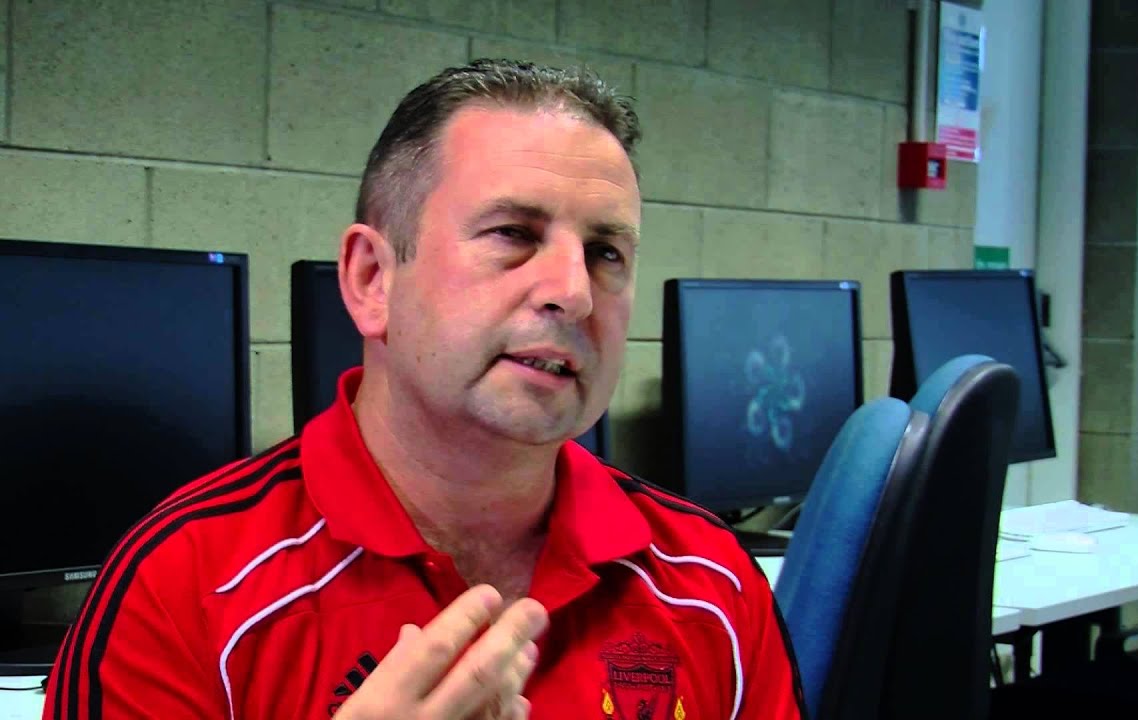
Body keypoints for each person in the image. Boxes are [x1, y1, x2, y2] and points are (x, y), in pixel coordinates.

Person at [45, 59, 805, 720]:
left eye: (606, 251)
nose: (574, 292)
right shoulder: (183, 585)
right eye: (513, 233)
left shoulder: (711, 581)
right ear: (372, 280)